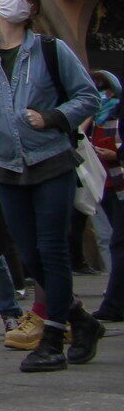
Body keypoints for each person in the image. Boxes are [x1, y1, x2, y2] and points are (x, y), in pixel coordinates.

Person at [0, 0, 103, 371]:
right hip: (5, 165)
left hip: (50, 161)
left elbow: (87, 97)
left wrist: (52, 117)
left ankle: (51, 341)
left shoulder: (50, 50)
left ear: (32, 8)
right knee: (28, 256)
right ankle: (81, 320)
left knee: (52, 251)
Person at [89, 71, 124, 322]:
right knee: (112, 240)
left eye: (102, 88)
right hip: (109, 185)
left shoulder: (114, 113)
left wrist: (117, 157)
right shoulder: (104, 116)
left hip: (116, 182)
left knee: (116, 243)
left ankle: (114, 304)